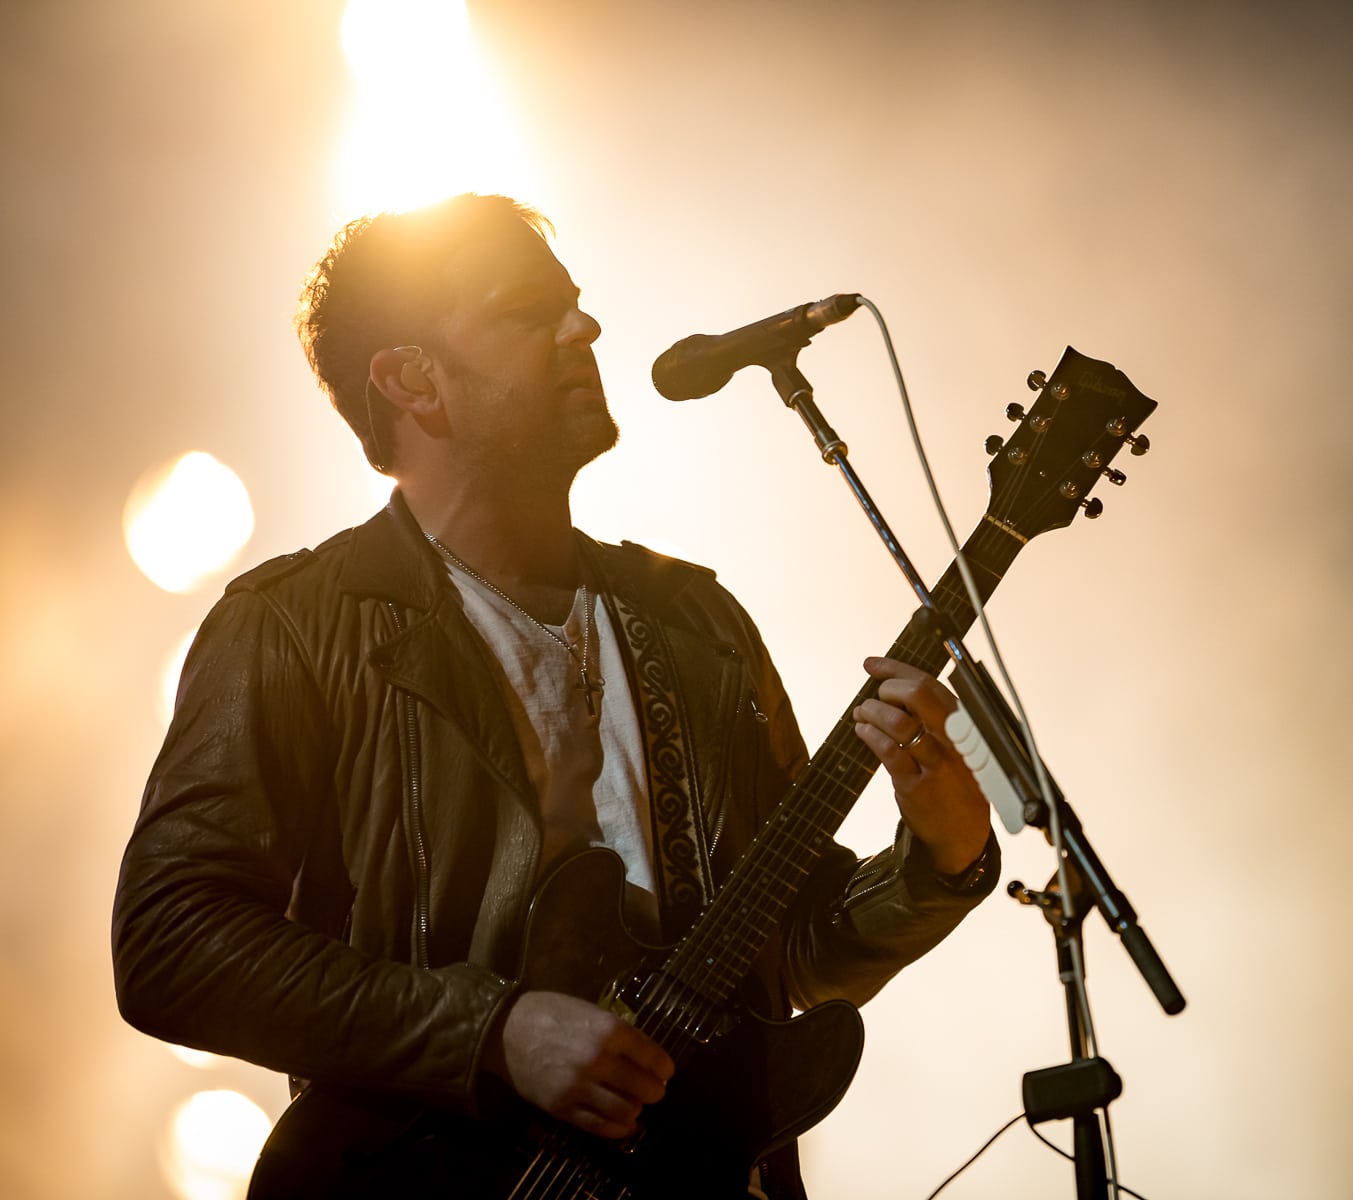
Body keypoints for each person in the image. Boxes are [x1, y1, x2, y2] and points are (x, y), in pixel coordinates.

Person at [111, 193, 998, 1197]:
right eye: (528, 311)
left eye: (573, 303)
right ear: (411, 378)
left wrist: (942, 856)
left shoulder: (697, 626)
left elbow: (782, 952)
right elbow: (171, 942)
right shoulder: (300, 625)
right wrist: (489, 1031)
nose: (585, 328)